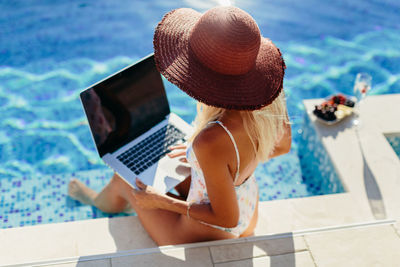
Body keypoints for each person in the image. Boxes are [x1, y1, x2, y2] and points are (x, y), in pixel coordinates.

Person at [68, 5, 291, 245]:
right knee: (168, 165)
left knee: (124, 179)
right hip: (248, 208)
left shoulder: (211, 141)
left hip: (212, 230)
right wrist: (212, 165)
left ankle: (97, 201)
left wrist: (161, 202)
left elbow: (226, 218)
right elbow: (281, 146)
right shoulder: (266, 99)